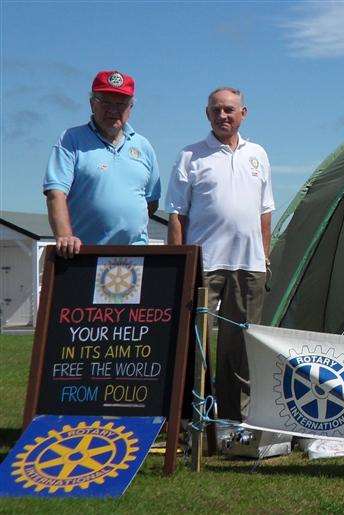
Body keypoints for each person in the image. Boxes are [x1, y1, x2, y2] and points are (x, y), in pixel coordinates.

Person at [165, 87, 274, 422]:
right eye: (216, 110)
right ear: (207, 114)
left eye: (229, 110)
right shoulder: (190, 156)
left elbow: (265, 213)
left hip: (249, 265)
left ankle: (232, 419)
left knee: (239, 346)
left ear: (243, 113)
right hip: (204, 264)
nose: (223, 116)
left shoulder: (258, 154)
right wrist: (178, 263)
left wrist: (264, 258)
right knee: (192, 341)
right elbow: (176, 215)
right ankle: (190, 415)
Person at [43, 70, 160, 257]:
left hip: (135, 255)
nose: (113, 110)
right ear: (92, 104)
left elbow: (151, 202)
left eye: (120, 104)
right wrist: (65, 236)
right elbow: (55, 193)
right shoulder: (71, 139)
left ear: (131, 108)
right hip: (84, 254)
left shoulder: (144, 146)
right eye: (105, 102)